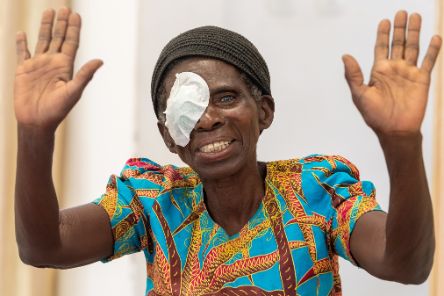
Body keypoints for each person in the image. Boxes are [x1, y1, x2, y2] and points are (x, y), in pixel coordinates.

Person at [14, 7, 441, 296]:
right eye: (188, 109)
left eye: (225, 98)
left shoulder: (318, 194)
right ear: (169, 137)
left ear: (265, 110)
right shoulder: (151, 201)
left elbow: (406, 265)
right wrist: (35, 133)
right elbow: (45, 247)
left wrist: (401, 142)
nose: (207, 120)